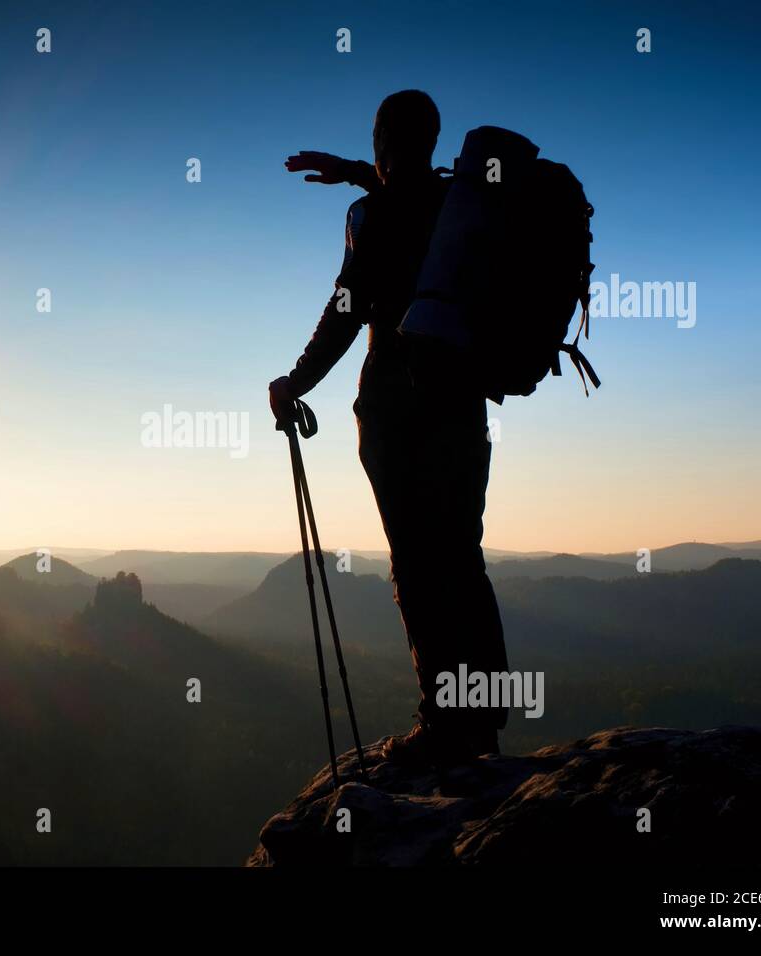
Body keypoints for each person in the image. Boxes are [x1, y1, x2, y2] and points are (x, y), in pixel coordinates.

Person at [269, 90, 508, 766]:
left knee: (416, 562)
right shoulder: (459, 207)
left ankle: (443, 724)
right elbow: (417, 182)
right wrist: (352, 169)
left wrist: (296, 381)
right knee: (462, 556)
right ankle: (481, 726)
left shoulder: (373, 219)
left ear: (381, 142)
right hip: (462, 406)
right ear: (435, 139)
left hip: (397, 410)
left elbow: (346, 310)